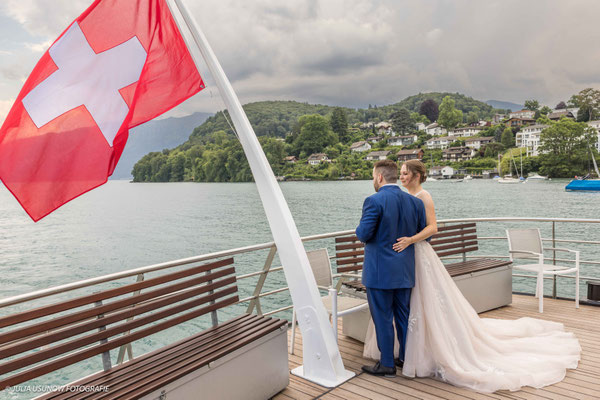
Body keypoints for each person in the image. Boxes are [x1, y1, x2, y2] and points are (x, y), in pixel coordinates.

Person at [364, 159, 581, 393]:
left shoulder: (416, 198)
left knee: (401, 312)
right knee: (409, 312)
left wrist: (409, 240)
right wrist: (409, 241)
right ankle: (407, 356)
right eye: (401, 173)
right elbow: (420, 230)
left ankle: (396, 359)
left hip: (405, 257)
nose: (403, 176)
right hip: (407, 261)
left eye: (407, 173)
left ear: (415, 175)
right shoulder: (409, 200)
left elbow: (427, 229)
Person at [356, 160, 427, 377]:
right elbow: (426, 235)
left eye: (372, 176)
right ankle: (406, 358)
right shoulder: (414, 202)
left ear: (379, 177)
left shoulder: (374, 200)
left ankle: (387, 363)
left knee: (383, 317)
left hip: (379, 272)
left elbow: (363, 234)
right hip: (405, 270)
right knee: (403, 316)